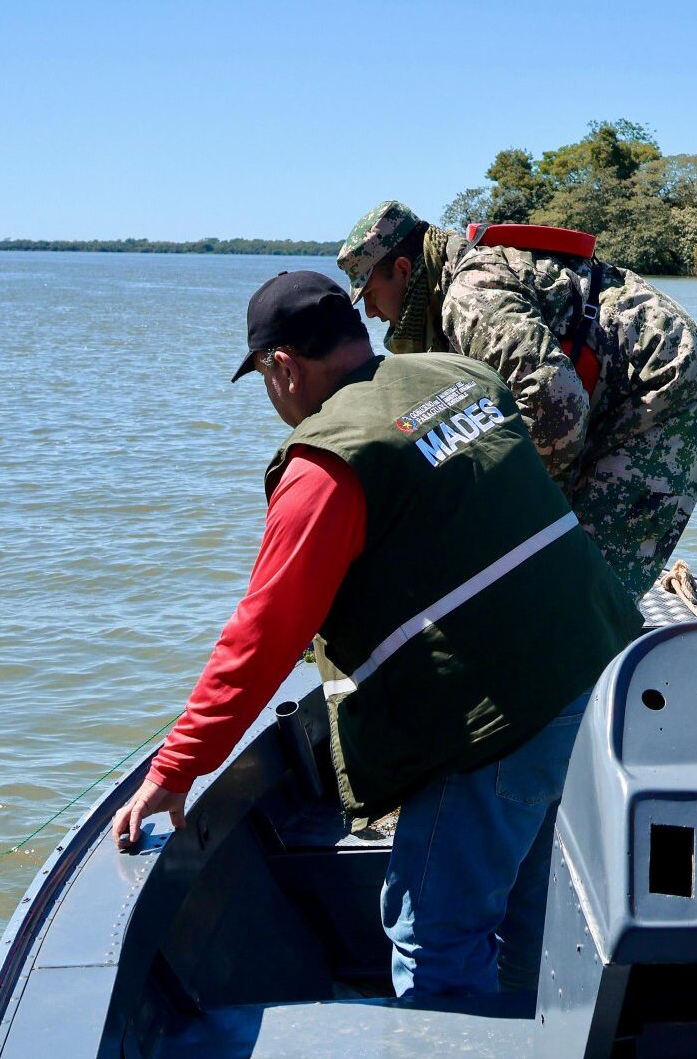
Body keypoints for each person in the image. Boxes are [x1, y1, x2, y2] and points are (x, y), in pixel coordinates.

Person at [111, 270, 642, 998]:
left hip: (502, 720)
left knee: (436, 940)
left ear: (284, 368)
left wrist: (175, 770)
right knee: (529, 907)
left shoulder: (326, 464)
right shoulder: (463, 375)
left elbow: (260, 638)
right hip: (603, 672)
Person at [335, 201, 697, 602]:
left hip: (668, 396)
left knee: (586, 593)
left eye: (369, 292)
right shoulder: (459, 284)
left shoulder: (469, 297)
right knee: (548, 564)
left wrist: (509, 509)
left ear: (402, 270)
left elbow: (554, 407)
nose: (370, 310)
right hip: (620, 398)